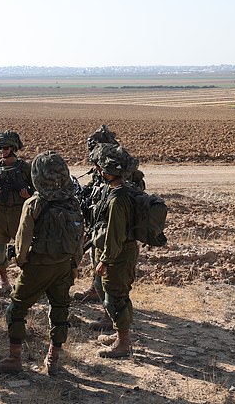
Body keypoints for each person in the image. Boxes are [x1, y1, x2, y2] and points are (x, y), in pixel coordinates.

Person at [0, 151, 83, 376]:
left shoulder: (34, 204)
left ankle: (14, 358)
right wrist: (74, 264)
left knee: (16, 309)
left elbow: (22, 242)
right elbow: (80, 235)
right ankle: (53, 360)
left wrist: (23, 263)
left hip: (38, 266)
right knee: (60, 310)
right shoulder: (72, 201)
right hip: (64, 265)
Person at [90, 142, 140, 358]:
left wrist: (106, 260)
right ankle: (121, 335)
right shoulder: (120, 191)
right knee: (115, 293)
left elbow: (115, 234)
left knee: (115, 297)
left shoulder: (118, 199)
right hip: (121, 252)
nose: (98, 172)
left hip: (118, 255)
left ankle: (123, 343)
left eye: (101, 169)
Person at [0, 130, 33, 295]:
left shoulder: (25, 168)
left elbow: (37, 191)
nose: (2, 151)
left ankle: (26, 283)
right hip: (0, 214)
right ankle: (5, 283)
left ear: (13, 148)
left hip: (20, 214)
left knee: (24, 250)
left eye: (5, 148)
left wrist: (28, 195)